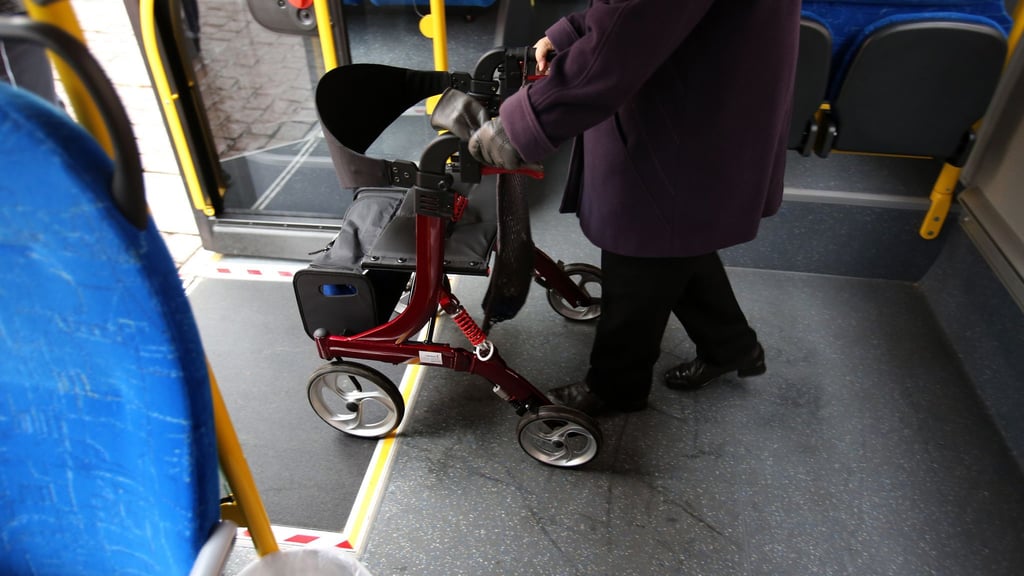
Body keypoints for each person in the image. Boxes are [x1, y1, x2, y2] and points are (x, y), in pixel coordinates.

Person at [468, 0, 801, 416]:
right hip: (712, 83)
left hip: (682, 110)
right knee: (676, 232)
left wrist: (523, 121)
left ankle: (615, 387)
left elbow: (631, 29)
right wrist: (573, 29)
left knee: (641, 242)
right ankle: (731, 345)